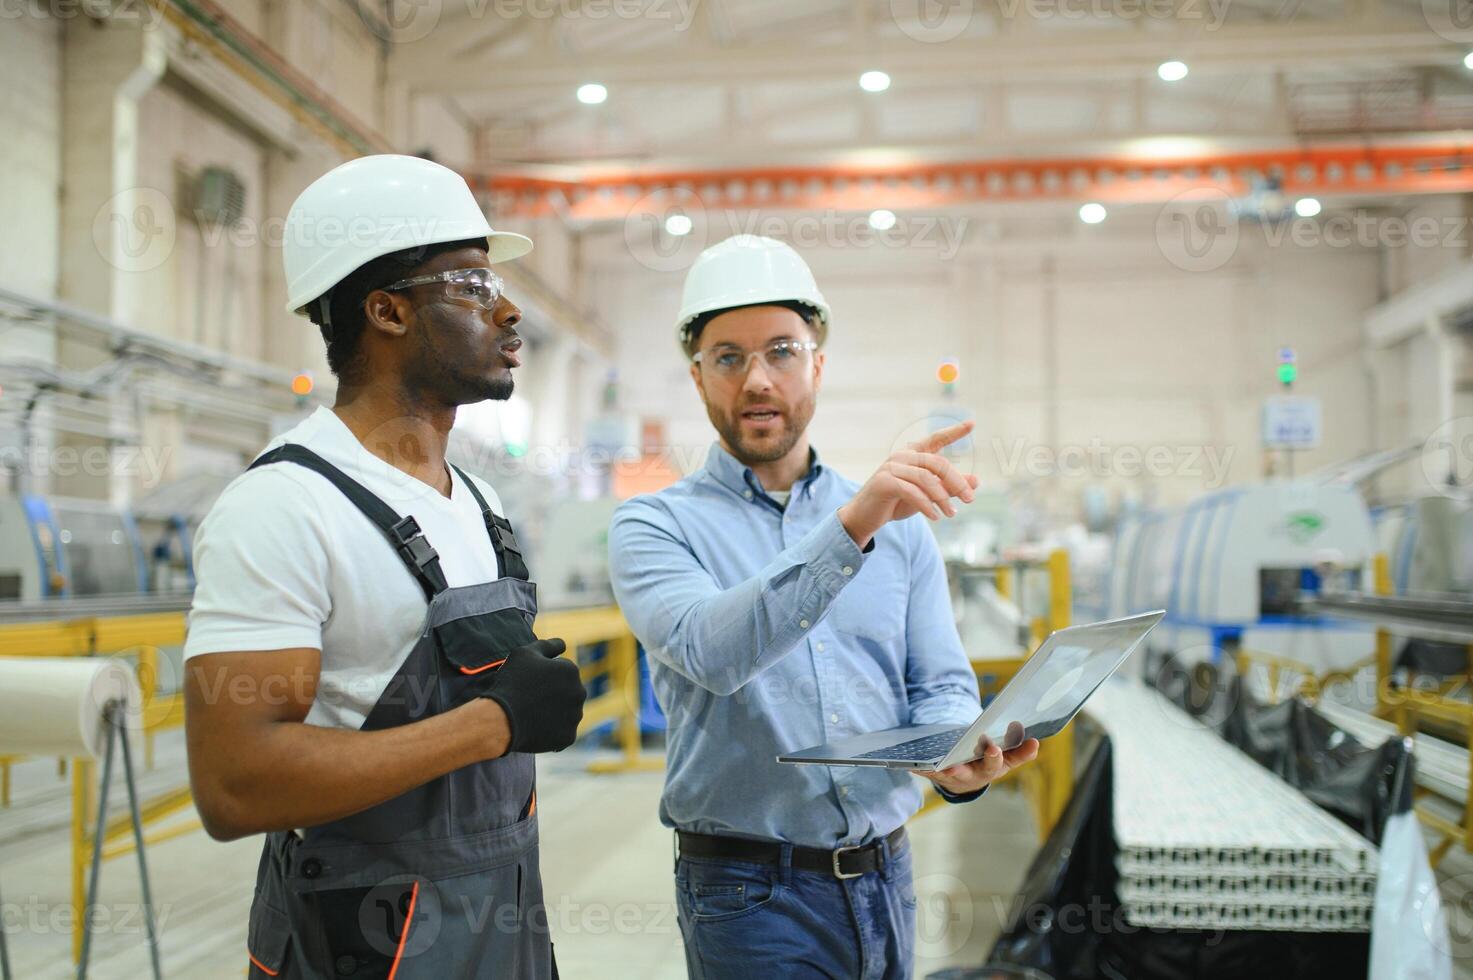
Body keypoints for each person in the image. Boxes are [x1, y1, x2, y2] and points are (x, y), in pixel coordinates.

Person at [183, 155, 585, 979]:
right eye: (472, 284)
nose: (507, 309)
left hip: (500, 927)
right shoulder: (286, 506)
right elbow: (235, 785)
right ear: (387, 310)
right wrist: (494, 723)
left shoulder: (479, 502)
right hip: (364, 946)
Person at [608, 235, 1039, 979]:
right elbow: (711, 654)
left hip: (885, 874)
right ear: (697, 375)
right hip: (748, 892)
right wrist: (851, 528)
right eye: (727, 357)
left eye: (780, 350)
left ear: (817, 363)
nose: (756, 380)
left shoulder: (893, 522)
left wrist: (952, 755)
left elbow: (937, 678)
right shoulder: (654, 526)